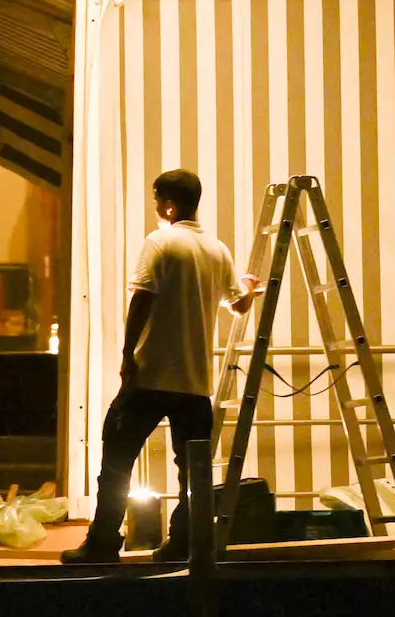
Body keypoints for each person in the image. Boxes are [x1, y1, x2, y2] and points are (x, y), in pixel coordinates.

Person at [62, 169, 260, 565]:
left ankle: (102, 543)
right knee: (192, 471)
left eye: (157, 200)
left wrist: (126, 354)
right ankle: (184, 543)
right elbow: (238, 305)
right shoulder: (217, 250)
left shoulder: (161, 242)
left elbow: (142, 299)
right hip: (194, 381)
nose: (155, 207)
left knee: (117, 459)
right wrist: (251, 287)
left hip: (151, 374)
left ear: (169, 204)